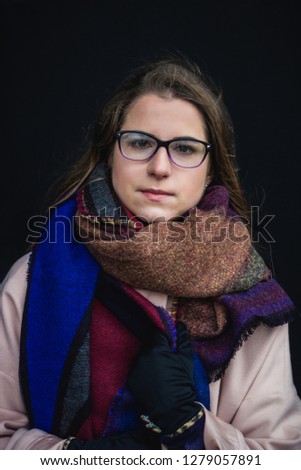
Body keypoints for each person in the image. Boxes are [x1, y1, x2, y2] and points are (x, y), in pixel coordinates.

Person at [1, 55, 301, 450]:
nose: (160, 167)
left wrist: (189, 422)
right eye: (140, 143)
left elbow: (282, 454)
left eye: (186, 148)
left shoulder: (250, 295)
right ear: (111, 153)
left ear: (210, 169)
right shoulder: (31, 278)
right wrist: (82, 458)